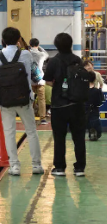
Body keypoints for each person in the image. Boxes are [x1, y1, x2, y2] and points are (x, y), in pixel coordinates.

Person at [0, 28, 43, 176]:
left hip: (5, 100)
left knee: (9, 133)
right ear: (18, 39)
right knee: (31, 132)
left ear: (3, 40)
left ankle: (14, 166)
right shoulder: (26, 54)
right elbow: (34, 74)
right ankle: (36, 165)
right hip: (24, 98)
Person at [44, 33, 86, 176]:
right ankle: (80, 168)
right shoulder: (77, 60)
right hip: (77, 104)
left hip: (59, 105)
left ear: (56, 45)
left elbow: (48, 81)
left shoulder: (54, 61)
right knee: (79, 136)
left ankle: (60, 167)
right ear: (71, 44)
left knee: (59, 137)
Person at [29, 38, 49, 125]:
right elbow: (47, 54)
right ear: (37, 44)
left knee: (30, 99)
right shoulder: (41, 54)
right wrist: (39, 47)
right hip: (40, 79)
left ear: (30, 44)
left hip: (30, 80)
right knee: (41, 99)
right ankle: (43, 118)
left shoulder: (27, 53)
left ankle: (30, 117)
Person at [85, 71, 103, 141]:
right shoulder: (97, 91)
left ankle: (90, 132)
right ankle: (95, 132)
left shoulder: (82, 91)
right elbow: (99, 103)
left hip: (84, 112)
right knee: (96, 126)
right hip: (94, 112)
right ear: (95, 79)